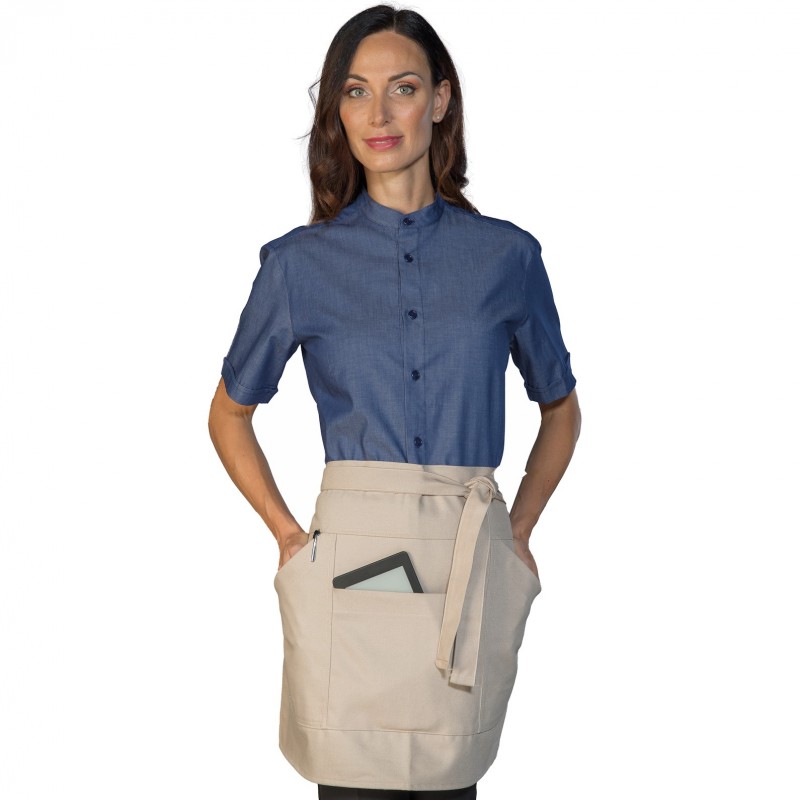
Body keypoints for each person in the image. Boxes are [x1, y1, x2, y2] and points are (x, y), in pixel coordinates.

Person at [208, 5, 581, 799]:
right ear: (337, 112)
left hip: (466, 546)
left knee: (451, 777)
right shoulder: (298, 265)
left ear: (440, 100)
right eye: (355, 91)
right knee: (350, 778)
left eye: (402, 88)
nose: (378, 114)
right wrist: (287, 536)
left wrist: (518, 532)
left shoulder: (507, 257)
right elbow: (229, 413)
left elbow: (562, 408)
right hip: (349, 550)